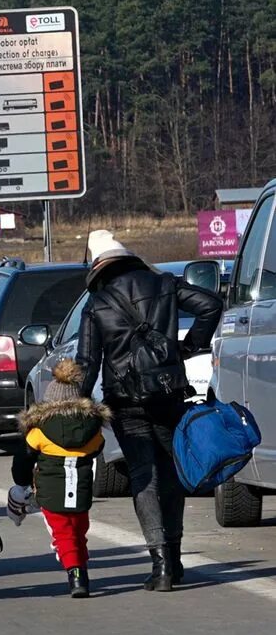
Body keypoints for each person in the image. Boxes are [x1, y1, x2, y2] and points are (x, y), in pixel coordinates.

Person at [75, 230, 222, 592]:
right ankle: (174, 558)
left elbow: (87, 361)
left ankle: (159, 566)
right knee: (172, 472)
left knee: (144, 475)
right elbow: (211, 305)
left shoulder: (96, 303)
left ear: (97, 265)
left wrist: (78, 407)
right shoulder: (163, 284)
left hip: (124, 400)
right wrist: (190, 347)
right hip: (169, 392)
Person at [10, 359, 110, 599]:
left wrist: (22, 482)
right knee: (78, 530)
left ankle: (76, 574)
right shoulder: (91, 431)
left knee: (63, 534)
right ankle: (81, 568)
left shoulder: (39, 431)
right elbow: (98, 448)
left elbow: (23, 460)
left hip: (51, 490)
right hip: (82, 490)